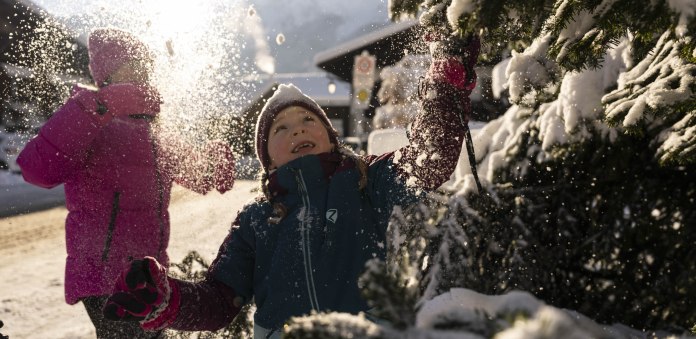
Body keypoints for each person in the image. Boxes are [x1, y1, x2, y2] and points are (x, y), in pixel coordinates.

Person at [102, 33, 480, 339]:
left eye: (306, 120)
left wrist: (445, 87)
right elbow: (220, 301)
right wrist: (169, 301)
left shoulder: (367, 183)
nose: (297, 128)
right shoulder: (254, 222)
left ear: (331, 139)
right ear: (268, 160)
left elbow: (428, 159)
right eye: (280, 129)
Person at [16, 27, 235, 339]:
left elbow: (195, 174)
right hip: (103, 275)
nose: (142, 73)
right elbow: (36, 170)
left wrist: (213, 165)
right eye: (132, 64)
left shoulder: (155, 131)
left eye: (145, 66)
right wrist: (98, 107)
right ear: (107, 72)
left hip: (149, 274)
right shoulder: (89, 117)